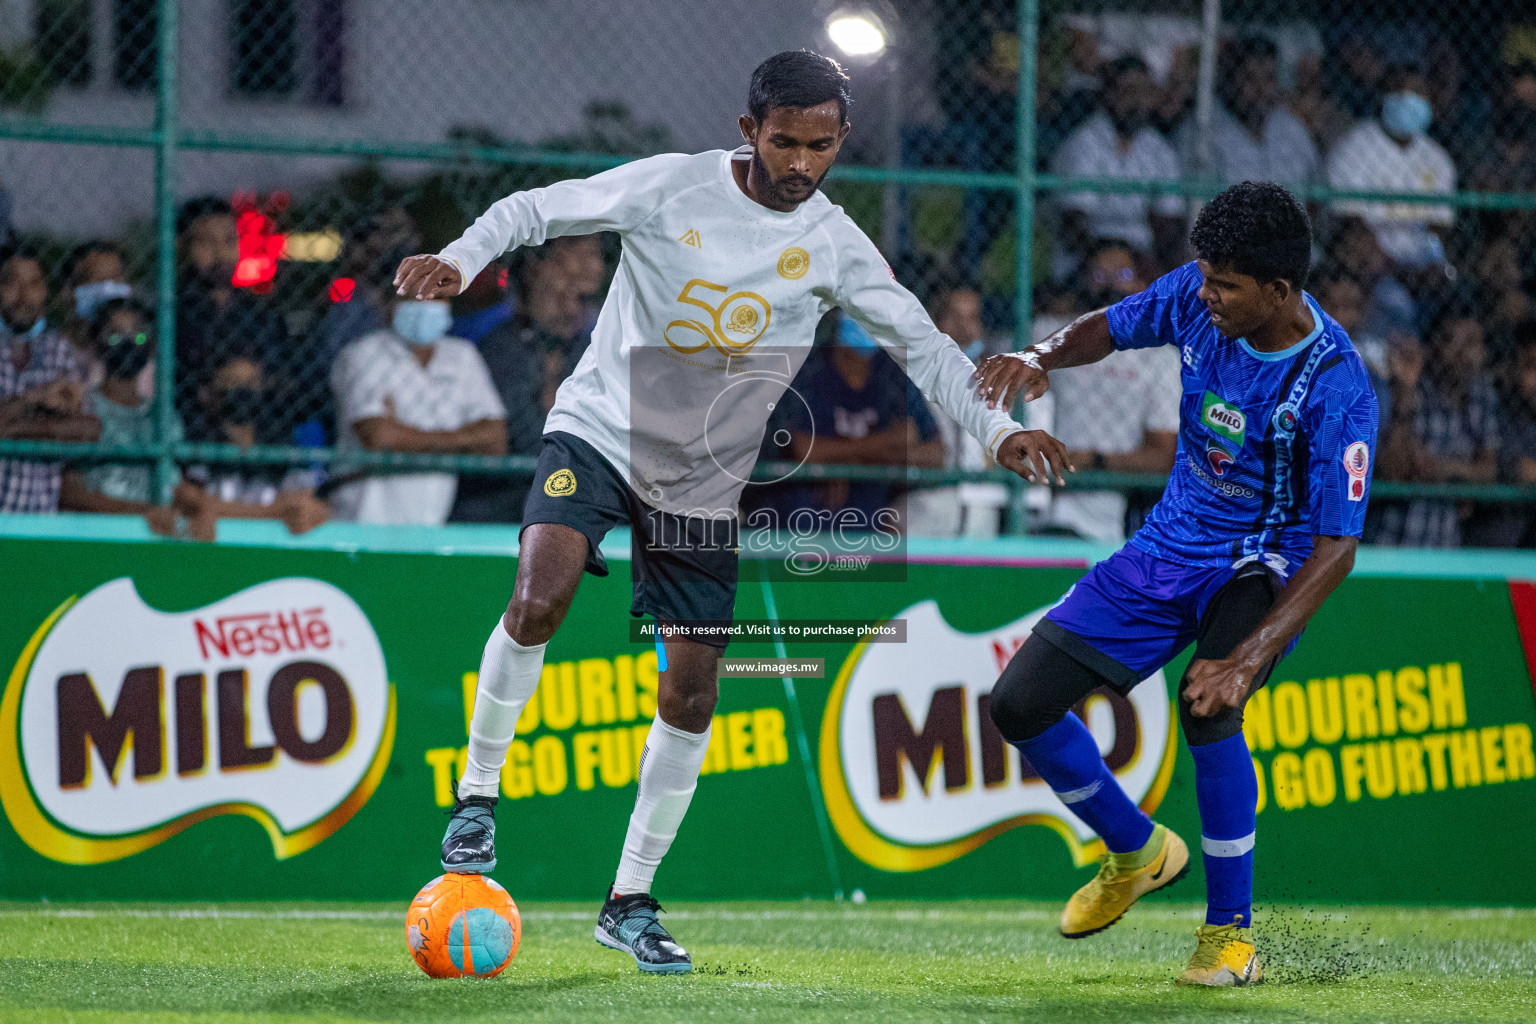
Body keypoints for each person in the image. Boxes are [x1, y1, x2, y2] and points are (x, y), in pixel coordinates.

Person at [392, 50, 1063, 974]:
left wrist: (996, 432)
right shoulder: (670, 188)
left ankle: (629, 901)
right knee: (539, 597)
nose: (800, 163)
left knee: (693, 691)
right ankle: (476, 797)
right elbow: (536, 208)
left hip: (703, 478)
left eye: (819, 147)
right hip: (600, 430)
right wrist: (462, 256)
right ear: (749, 131)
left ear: (840, 141)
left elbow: (925, 346)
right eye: (784, 142)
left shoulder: (832, 239)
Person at [976, 182, 1377, 985]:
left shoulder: (1337, 387)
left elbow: (1338, 548)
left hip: (1264, 560)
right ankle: (1136, 850)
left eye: (1227, 284)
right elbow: (1111, 328)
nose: (1206, 293)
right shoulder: (1199, 294)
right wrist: (1040, 354)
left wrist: (1248, 654)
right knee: (1017, 703)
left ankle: (1230, 935)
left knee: (1208, 704)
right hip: (1167, 545)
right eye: (1205, 276)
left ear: (1279, 290)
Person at [1035, 240, 1180, 542]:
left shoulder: (1161, 359)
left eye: (1122, 275)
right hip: (1037, 499)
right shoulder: (1055, 336)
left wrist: (1095, 461)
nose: (1111, 285)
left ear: (1143, 284)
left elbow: (1163, 456)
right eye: (1100, 277)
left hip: (1106, 517)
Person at [329, 296, 508, 526]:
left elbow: (496, 441)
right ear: (391, 302)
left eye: (437, 294)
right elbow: (378, 438)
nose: (426, 303)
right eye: (414, 294)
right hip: (362, 521)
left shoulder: (462, 356)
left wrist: (405, 437)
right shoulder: (364, 353)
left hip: (433, 522)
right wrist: (463, 439)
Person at [755, 311, 944, 526]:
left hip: (870, 522)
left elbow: (935, 455)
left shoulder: (892, 374)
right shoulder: (810, 368)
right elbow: (803, 449)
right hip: (803, 521)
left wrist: (841, 460)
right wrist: (885, 446)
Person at [450, 247, 591, 523]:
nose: (571, 308)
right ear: (532, 288)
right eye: (560, 295)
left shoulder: (585, 348)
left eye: (579, 299)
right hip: (500, 498)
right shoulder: (501, 348)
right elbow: (518, 437)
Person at [1373, 302, 1499, 548]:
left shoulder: (1481, 397)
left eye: (1474, 344)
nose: (1467, 356)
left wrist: (1444, 468)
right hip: (1394, 539)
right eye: (1457, 343)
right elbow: (1395, 470)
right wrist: (1405, 391)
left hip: (1445, 542)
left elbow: (1489, 470)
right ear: (1435, 345)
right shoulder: (1412, 390)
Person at [1050, 54, 1185, 274]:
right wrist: (1119, 255)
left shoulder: (1159, 148)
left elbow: (1168, 224)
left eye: (1143, 93)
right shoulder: (1084, 142)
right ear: (1106, 95)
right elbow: (1074, 229)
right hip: (1087, 260)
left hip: (1141, 260)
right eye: (1127, 91)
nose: (1136, 101)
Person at [176, 346, 330, 536]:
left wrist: (218, 510)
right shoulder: (194, 442)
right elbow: (190, 502)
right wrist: (275, 512)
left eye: (251, 385)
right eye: (232, 385)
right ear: (208, 392)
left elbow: (303, 507)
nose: (243, 395)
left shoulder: (284, 440)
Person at [56, 299, 181, 532]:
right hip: (96, 535)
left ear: (151, 345)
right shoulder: (82, 408)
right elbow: (67, 491)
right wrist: (138, 512)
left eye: (138, 335)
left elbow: (176, 489)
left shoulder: (164, 418)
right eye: (114, 335)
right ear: (97, 343)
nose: (128, 342)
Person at [1326, 64, 1456, 275]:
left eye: (1417, 92)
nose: (1407, 98)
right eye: (1398, 90)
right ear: (1383, 96)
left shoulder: (1438, 158)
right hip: (1370, 262)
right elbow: (1349, 219)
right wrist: (1387, 264)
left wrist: (1429, 264)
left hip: (1421, 263)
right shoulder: (1353, 147)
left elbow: (1440, 224)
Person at [0, 247, 100, 513]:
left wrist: (8, 428)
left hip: (41, 516)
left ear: (45, 290)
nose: (24, 296)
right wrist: (37, 398)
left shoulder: (58, 349)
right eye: (11, 283)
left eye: (33, 284)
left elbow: (85, 431)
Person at [1178, 35, 1318, 189]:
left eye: (1269, 79)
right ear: (1231, 82)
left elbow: (1316, 193)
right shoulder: (1203, 131)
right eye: (1251, 78)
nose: (1261, 89)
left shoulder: (1291, 128)